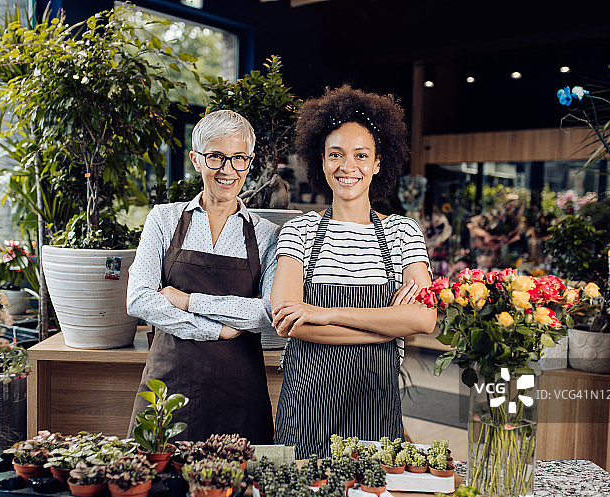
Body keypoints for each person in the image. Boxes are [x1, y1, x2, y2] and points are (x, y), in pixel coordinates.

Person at [271, 86, 437, 457]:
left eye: (361, 155)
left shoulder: (403, 232)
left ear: (378, 163)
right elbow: (288, 320)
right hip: (305, 409)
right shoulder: (299, 231)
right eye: (336, 155)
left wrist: (324, 313)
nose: (349, 167)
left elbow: (424, 318)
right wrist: (385, 326)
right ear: (322, 161)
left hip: (375, 407)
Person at [126, 110, 277, 444]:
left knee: (238, 491)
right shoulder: (163, 219)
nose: (228, 170)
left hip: (241, 391)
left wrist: (186, 300)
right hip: (169, 387)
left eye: (238, 158)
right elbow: (139, 298)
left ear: (249, 163)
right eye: (216, 157)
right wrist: (217, 330)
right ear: (196, 159)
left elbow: (267, 312)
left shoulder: (267, 235)